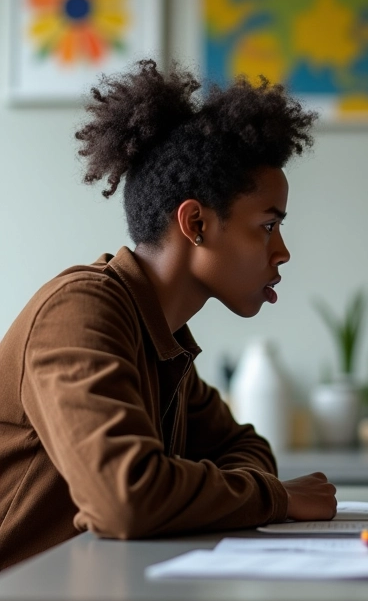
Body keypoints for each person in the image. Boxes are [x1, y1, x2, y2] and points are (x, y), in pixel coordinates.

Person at [0, 60, 337, 572]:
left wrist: (225, 487)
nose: (283, 251)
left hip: (86, 598)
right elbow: (126, 498)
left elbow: (243, 446)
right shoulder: (78, 312)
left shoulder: (162, 335)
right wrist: (277, 498)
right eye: (268, 227)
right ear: (195, 223)